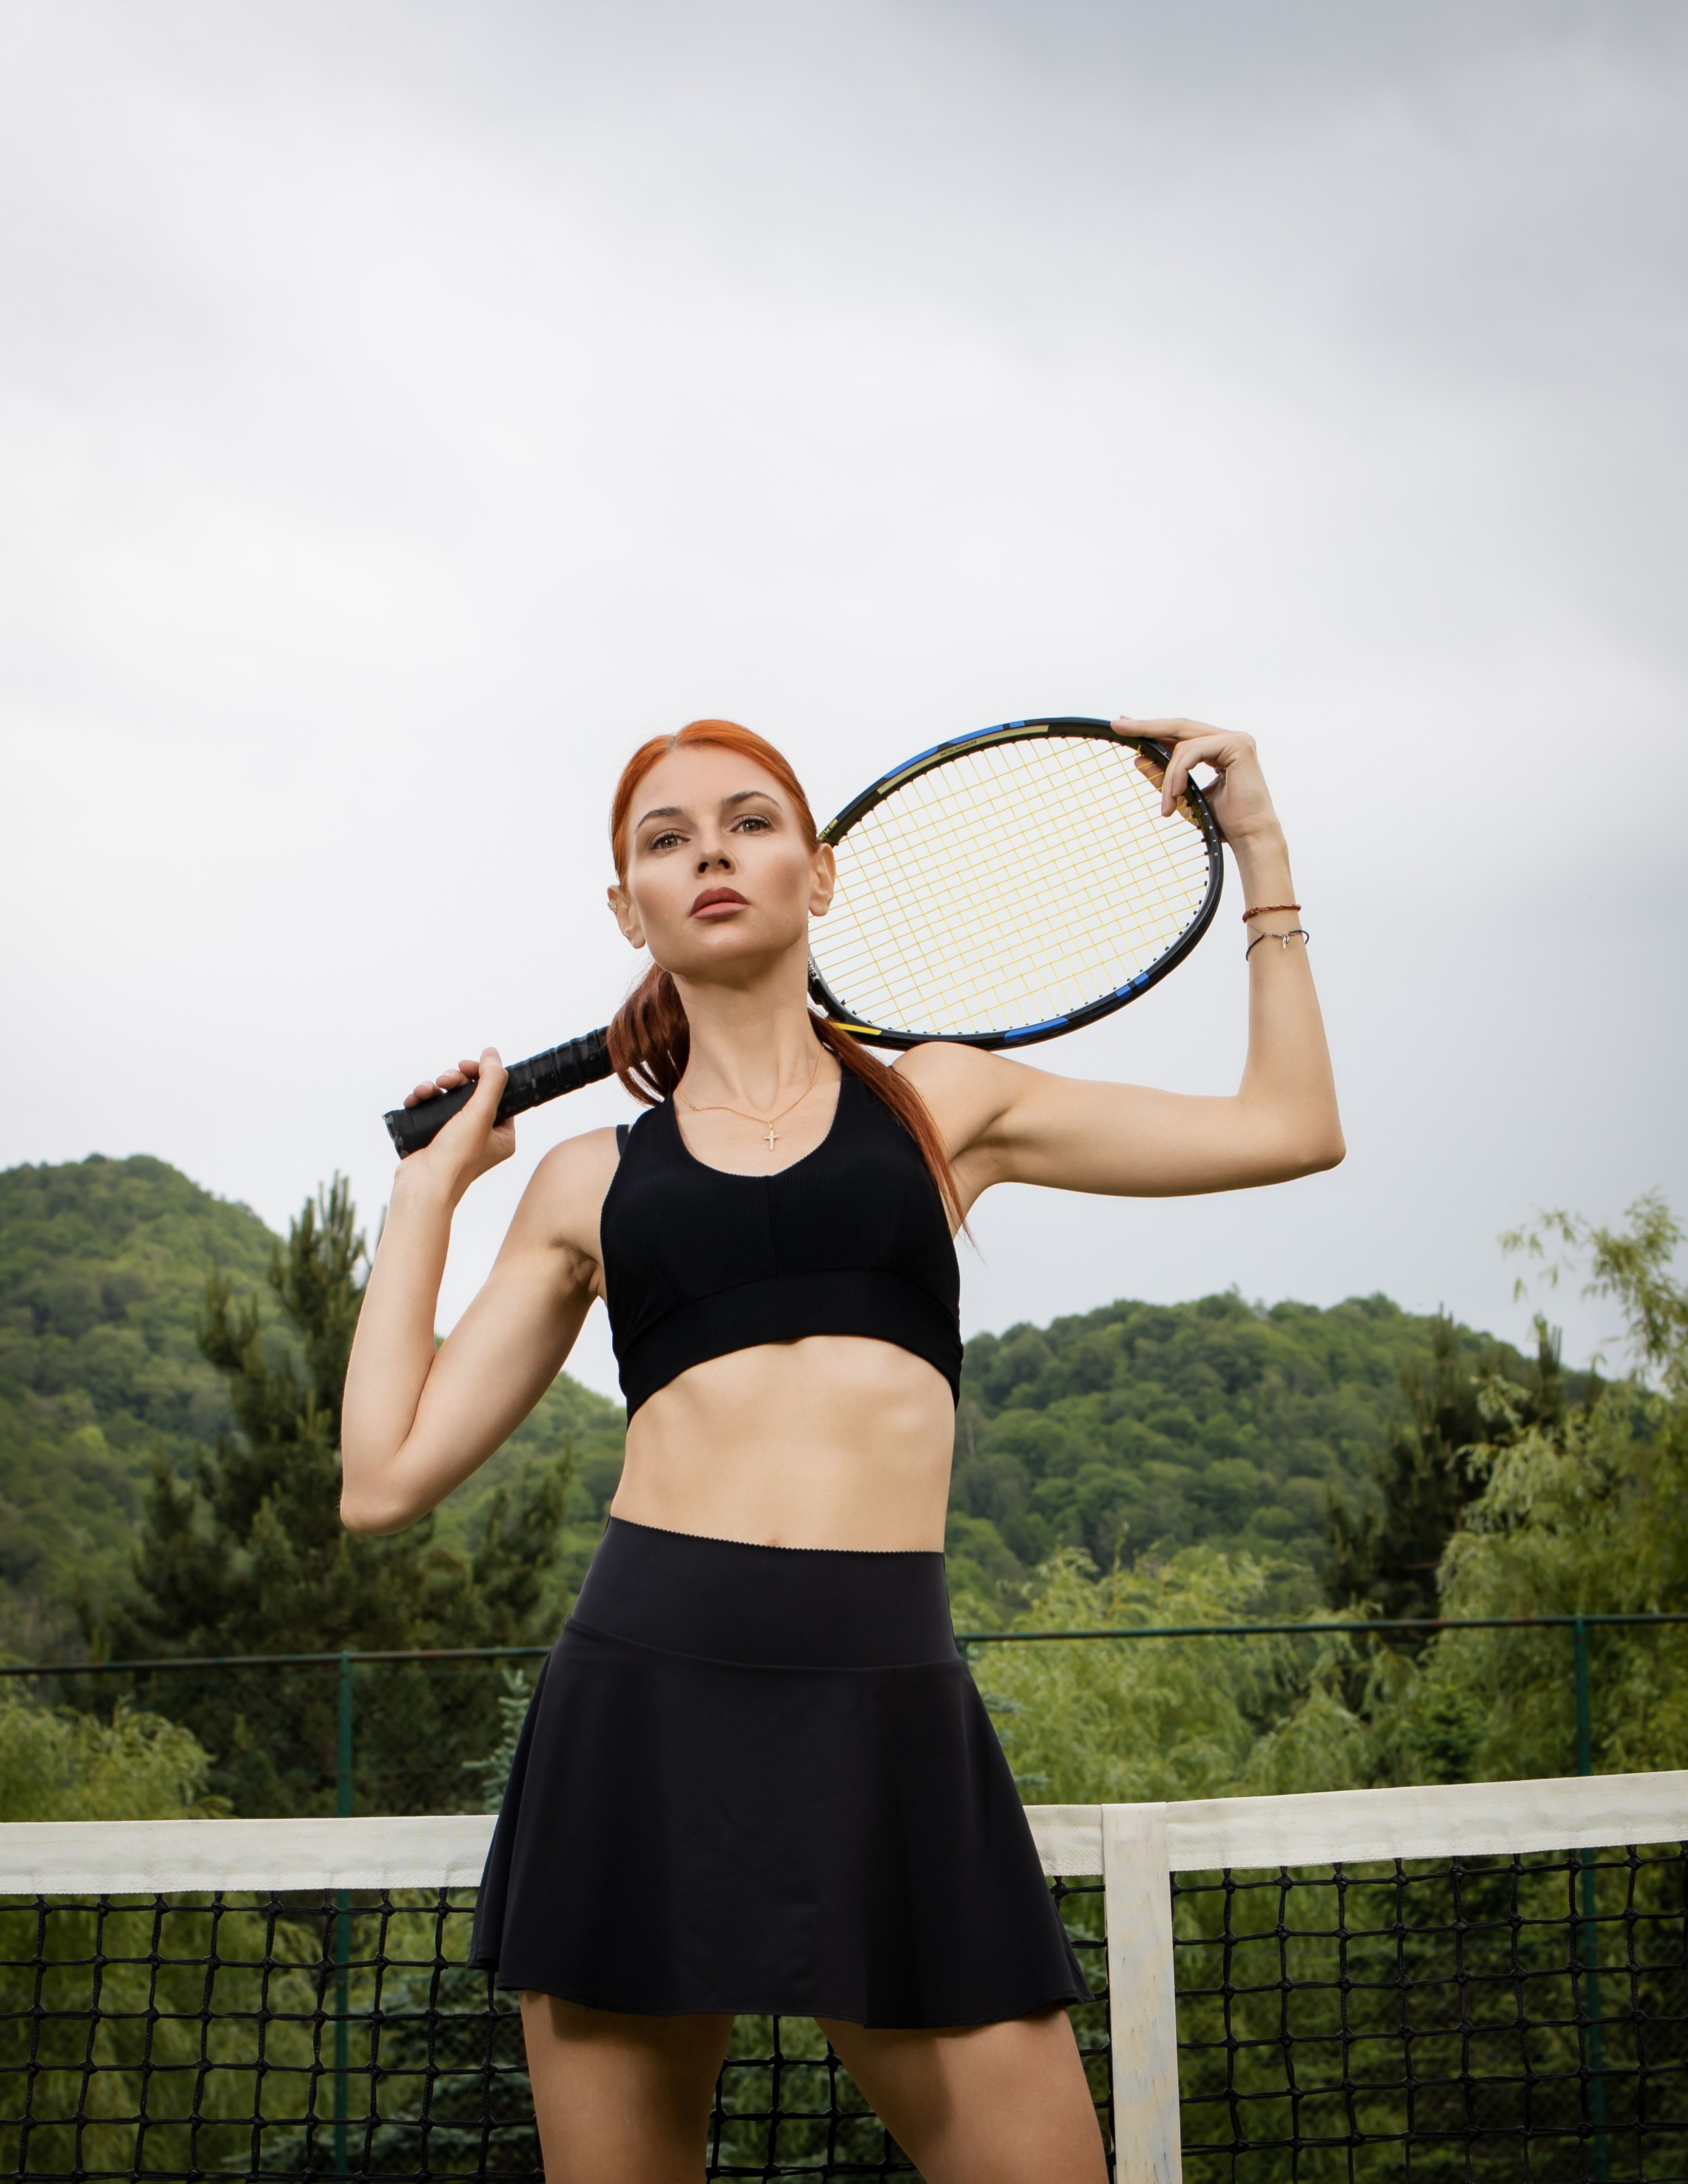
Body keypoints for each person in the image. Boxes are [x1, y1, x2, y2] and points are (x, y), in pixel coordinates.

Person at [340, 714, 1342, 2184]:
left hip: (886, 1709)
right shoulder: (583, 1180)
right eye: (666, 841)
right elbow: (385, 1481)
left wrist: (1258, 847)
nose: (711, 857)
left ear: (820, 871)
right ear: (629, 910)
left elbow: (1292, 1125)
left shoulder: (946, 1104)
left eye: (748, 824)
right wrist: (427, 1200)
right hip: (645, 1698)